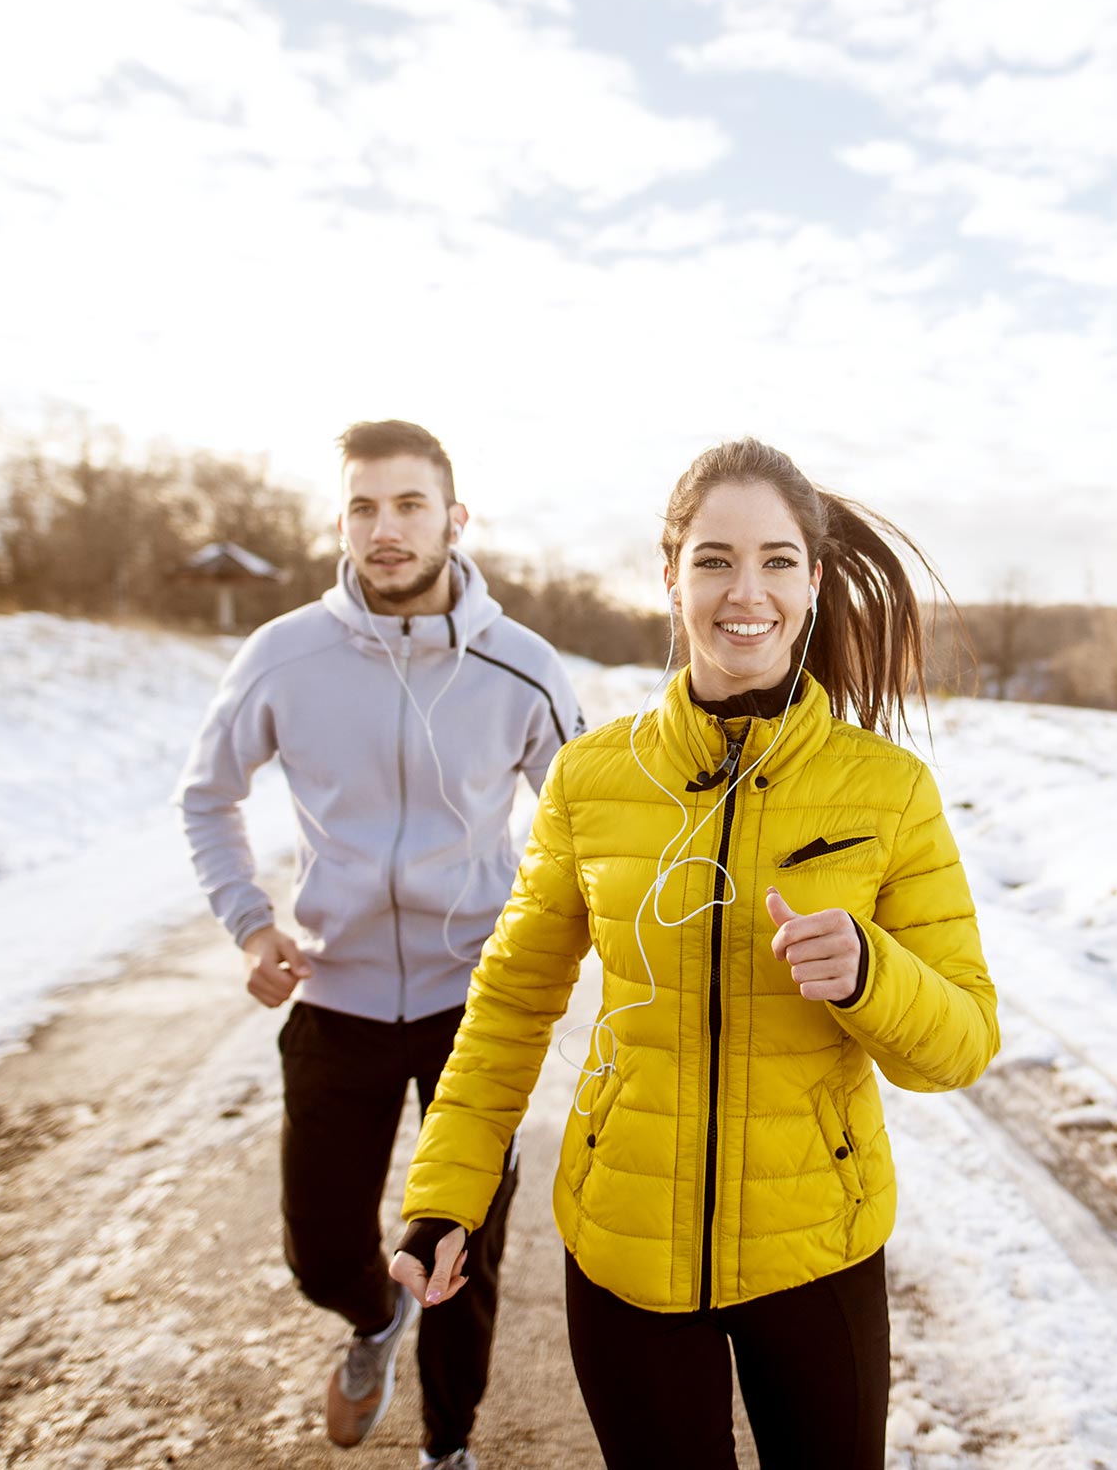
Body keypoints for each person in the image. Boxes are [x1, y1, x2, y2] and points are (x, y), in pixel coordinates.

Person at [389, 437, 999, 1469]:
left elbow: (964, 1043)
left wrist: (869, 975)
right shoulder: (592, 780)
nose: (743, 590)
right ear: (669, 575)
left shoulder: (888, 791)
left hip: (818, 1248)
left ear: (811, 580)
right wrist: (446, 1193)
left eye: (773, 560)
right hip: (623, 1247)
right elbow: (510, 1000)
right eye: (714, 559)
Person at [175, 419, 583, 1470]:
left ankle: (448, 1449)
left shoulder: (522, 669)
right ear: (342, 521)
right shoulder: (286, 656)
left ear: (455, 517)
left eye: (409, 505)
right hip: (337, 994)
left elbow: (592, 826)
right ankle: (369, 1321)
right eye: (364, 506)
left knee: (459, 1253)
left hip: (474, 1005)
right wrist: (251, 923)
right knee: (320, 1252)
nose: (386, 528)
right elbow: (207, 797)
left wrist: (548, 947)